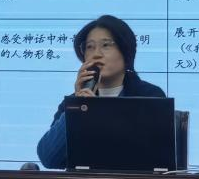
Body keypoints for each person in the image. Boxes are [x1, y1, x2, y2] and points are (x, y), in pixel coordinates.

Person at [35, 15, 165, 169]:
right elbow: (49, 159)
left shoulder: (149, 96)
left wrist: (97, 113)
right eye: (90, 47)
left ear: (125, 51)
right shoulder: (74, 103)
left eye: (106, 45)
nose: (96, 54)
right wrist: (78, 107)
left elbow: (155, 156)